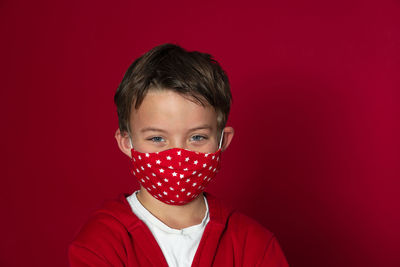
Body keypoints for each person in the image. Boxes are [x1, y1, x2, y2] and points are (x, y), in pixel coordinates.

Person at [68, 43, 289, 267]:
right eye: (157, 139)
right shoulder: (100, 244)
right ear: (127, 142)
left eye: (197, 137)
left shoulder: (254, 245)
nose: (178, 155)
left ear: (223, 141)